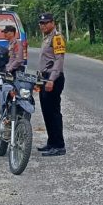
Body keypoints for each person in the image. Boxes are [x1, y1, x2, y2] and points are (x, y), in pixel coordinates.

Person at [36, 12, 66, 156]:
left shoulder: (57, 38)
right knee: (46, 112)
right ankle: (51, 142)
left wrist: (51, 79)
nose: (43, 25)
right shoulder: (46, 38)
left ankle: (59, 145)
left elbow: (58, 61)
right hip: (44, 78)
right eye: (41, 23)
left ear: (53, 23)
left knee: (54, 112)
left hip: (52, 79)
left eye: (46, 23)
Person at [0, 24, 26, 130]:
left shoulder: (17, 43)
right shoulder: (10, 44)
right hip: (9, 73)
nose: (4, 34)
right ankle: (3, 121)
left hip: (15, 73)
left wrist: (9, 69)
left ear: (12, 33)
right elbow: (10, 59)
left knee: (14, 96)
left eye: (6, 32)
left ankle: (16, 121)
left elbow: (19, 60)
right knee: (5, 97)